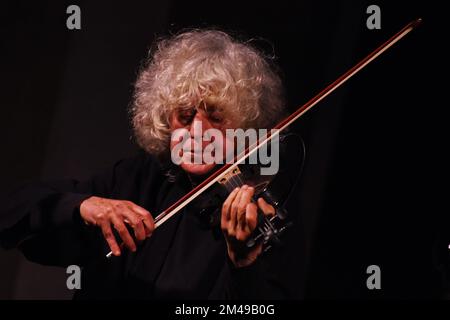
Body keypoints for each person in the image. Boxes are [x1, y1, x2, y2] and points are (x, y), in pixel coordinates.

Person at [0, 29, 293, 299]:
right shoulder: (136, 178)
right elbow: (13, 214)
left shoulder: (258, 219)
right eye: (185, 116)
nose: (197, 133)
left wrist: (243, 265)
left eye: (216, 119)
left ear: (245, 127)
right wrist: (82, 207)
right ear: (166, 119)